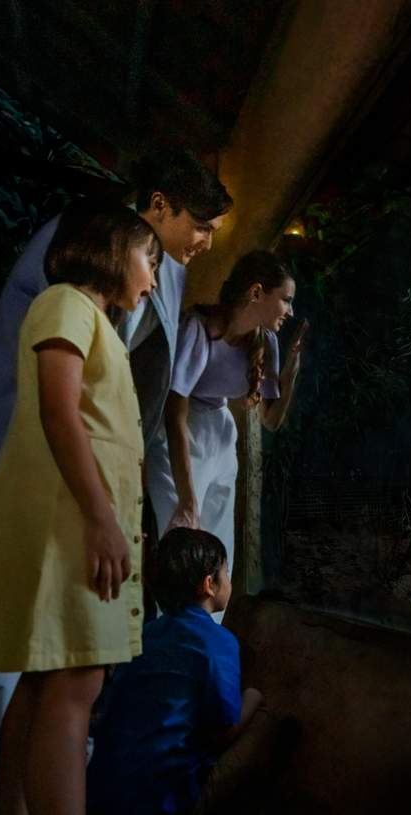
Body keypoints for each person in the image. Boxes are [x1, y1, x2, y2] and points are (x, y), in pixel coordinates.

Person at [0, 151, 231, 809]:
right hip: (24, 458)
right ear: (156, 207)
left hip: (84, 490)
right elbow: (57, 400)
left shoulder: (153, 273)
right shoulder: (83, 259)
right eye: (202, 224)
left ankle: (27, 774)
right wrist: (101, 509)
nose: (206, 242)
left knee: (49, 667)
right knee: (27, 638)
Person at [0, 205, 161, 815]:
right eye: (149, 258)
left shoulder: (93, 320)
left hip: (81, 529)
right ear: (113, 251)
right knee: (77, 684)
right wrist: (101, 520)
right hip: (76, 531)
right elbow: (60, 413)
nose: (151, 279)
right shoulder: (66, 303)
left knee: (46, 680)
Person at [147, 251, 305, 618]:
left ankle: (208, 640)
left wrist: (290, 376)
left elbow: (270, 420)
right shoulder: (199, 329)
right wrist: (187, 501)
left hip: (220, 436)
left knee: (219, 552)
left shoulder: (267, 343)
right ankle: (170, 646)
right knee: (182, 552)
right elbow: (174, 413)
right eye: (286, 299)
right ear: (256, 293)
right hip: (181, 440)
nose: (290, 311)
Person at [86, 528, 263, 815]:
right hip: (159, 796)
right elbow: (226, 727)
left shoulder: (144, 636)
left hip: (99, 788)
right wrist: (253, 697)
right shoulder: (217, 641)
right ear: (210, 584)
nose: (229, 580)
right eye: (226, 572)